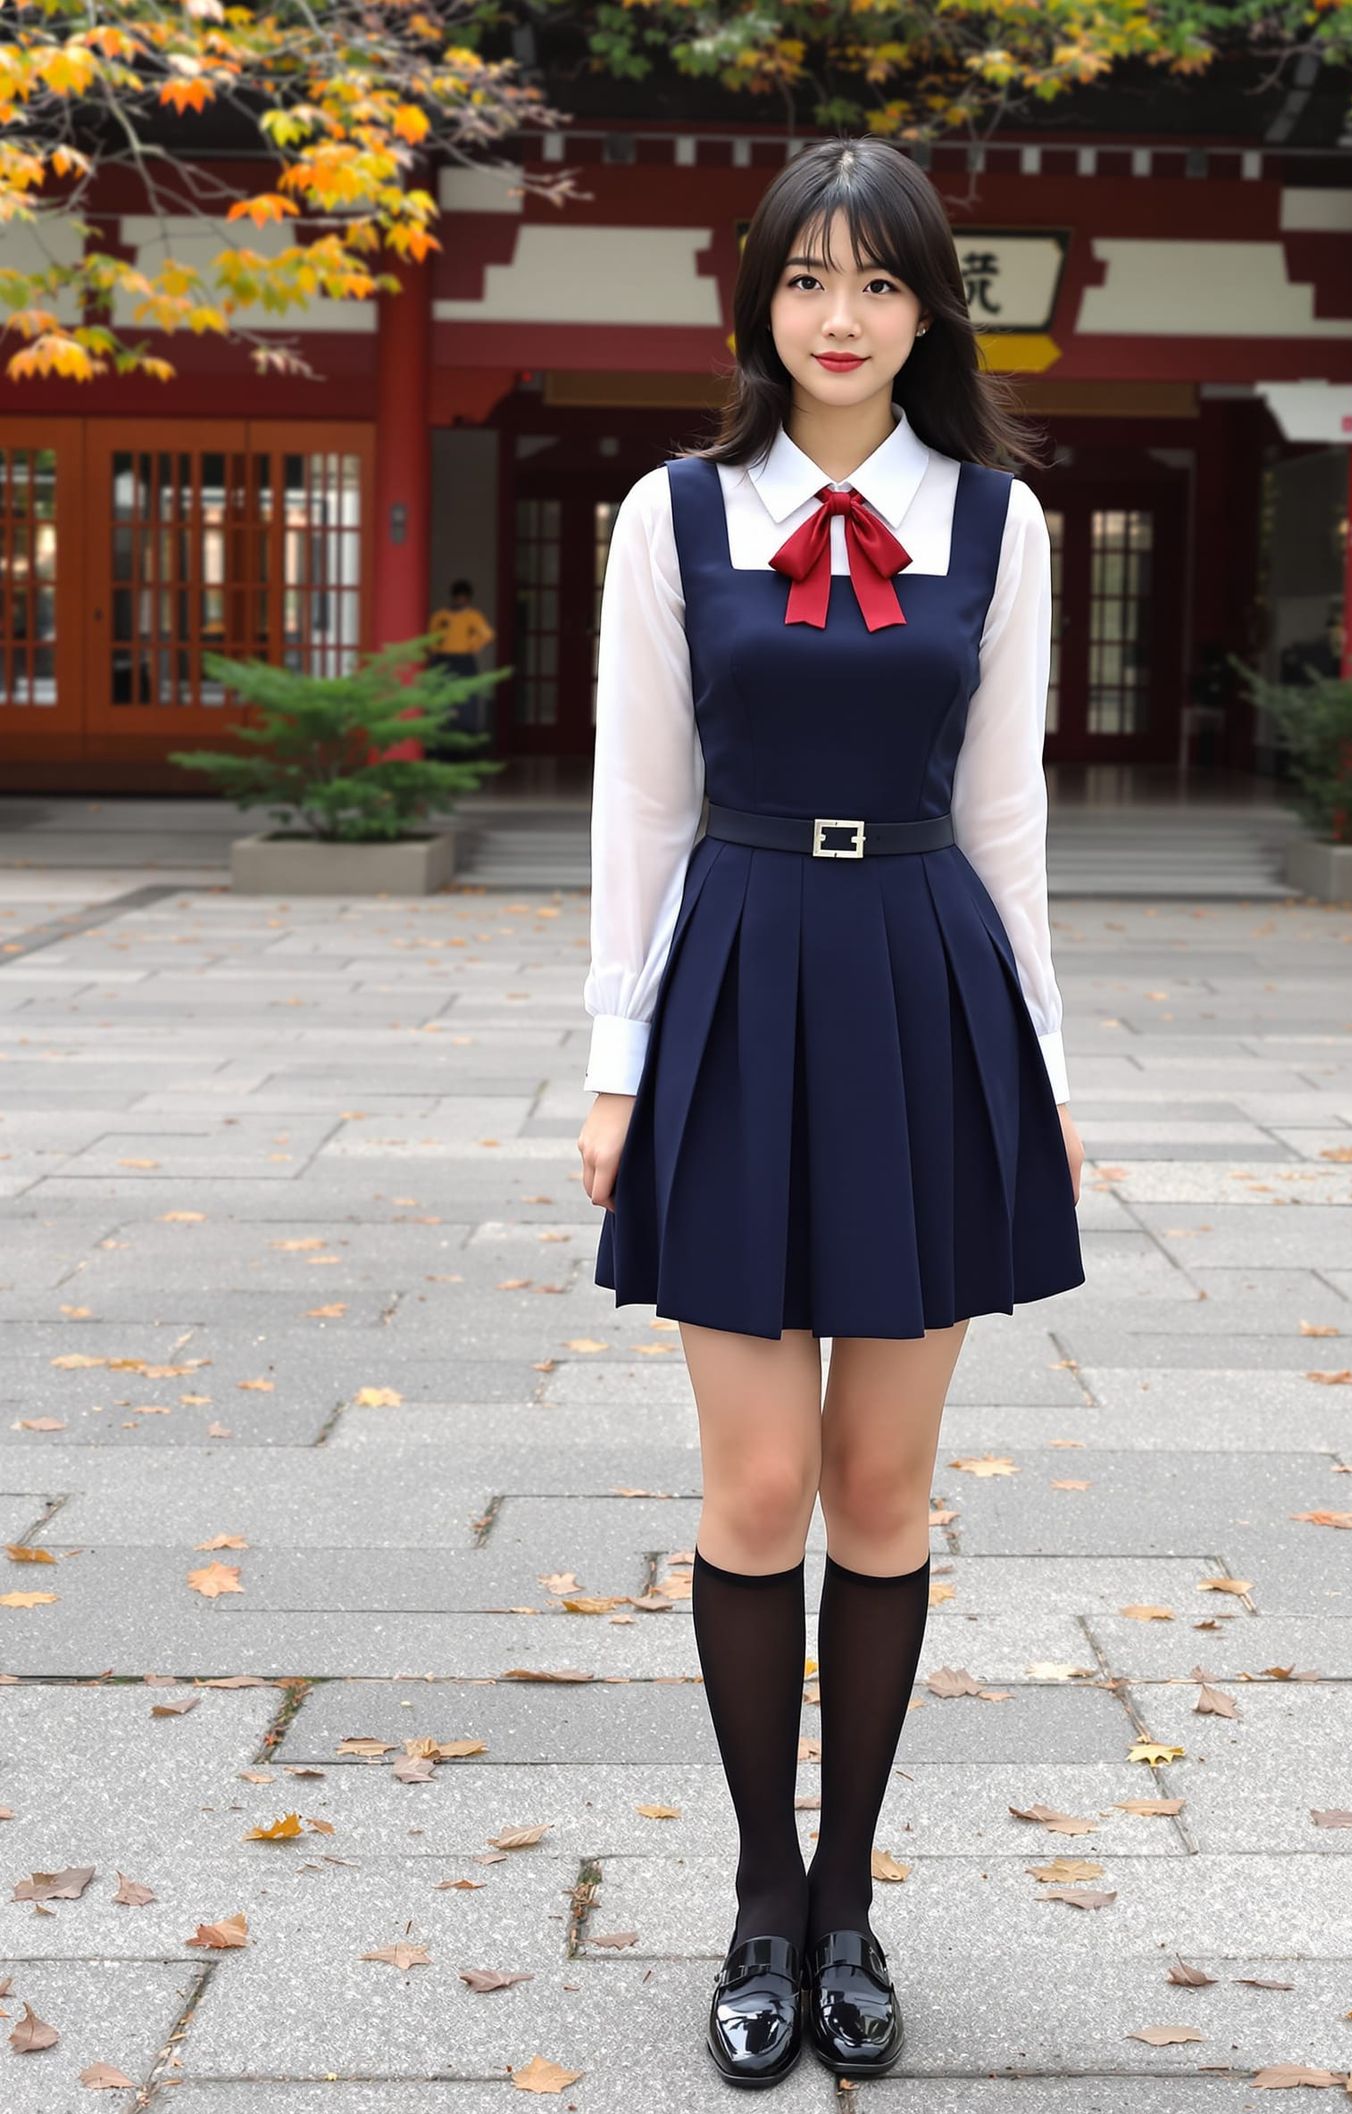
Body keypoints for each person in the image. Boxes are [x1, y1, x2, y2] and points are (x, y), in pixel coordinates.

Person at [575, 134, 1086, 2089]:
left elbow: (1007, 818)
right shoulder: (673, 515)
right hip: (736, 965)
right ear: (757, 301)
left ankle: (852, 1898)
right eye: (807, 279)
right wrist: (615, 1065)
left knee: (880, 1488)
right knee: (757, 1487)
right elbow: (634, 806)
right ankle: (758, 1897)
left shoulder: (995, 521)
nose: (842, 317)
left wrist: (1040, 1069)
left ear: (929, 306)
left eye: (878, 282)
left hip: (923, 985)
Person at [425, 578, 495, 740]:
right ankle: (446, 732)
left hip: (461, 659)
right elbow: (431, 639)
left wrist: (472, 646)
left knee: (465, 696)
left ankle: (463, 734)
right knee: (448, 697)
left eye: (463, 599)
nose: (461, 602)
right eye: (459, 598)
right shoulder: (441, 616)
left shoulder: (472, 616)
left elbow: (488, 635)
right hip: (448, 659)